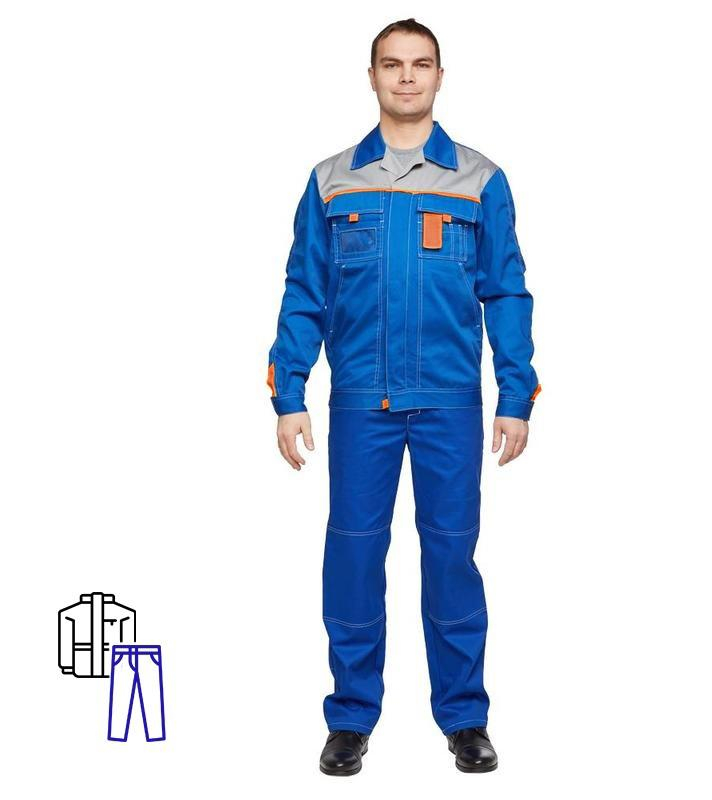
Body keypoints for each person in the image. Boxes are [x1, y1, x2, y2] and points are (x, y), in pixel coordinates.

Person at [265, 18, 541, 775]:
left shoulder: (480, 180)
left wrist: (515, 395)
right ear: (373, 77)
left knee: (452, 558)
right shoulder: (332, 180)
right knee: (354, 557)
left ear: (440, 77)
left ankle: (465, 718)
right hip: (362, 402)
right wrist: (290, 392)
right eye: (393, 64)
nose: (407, 76)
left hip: (450, 402)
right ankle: (351, 718)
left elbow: (506, 291)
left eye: (421, 64)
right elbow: (305, 291)